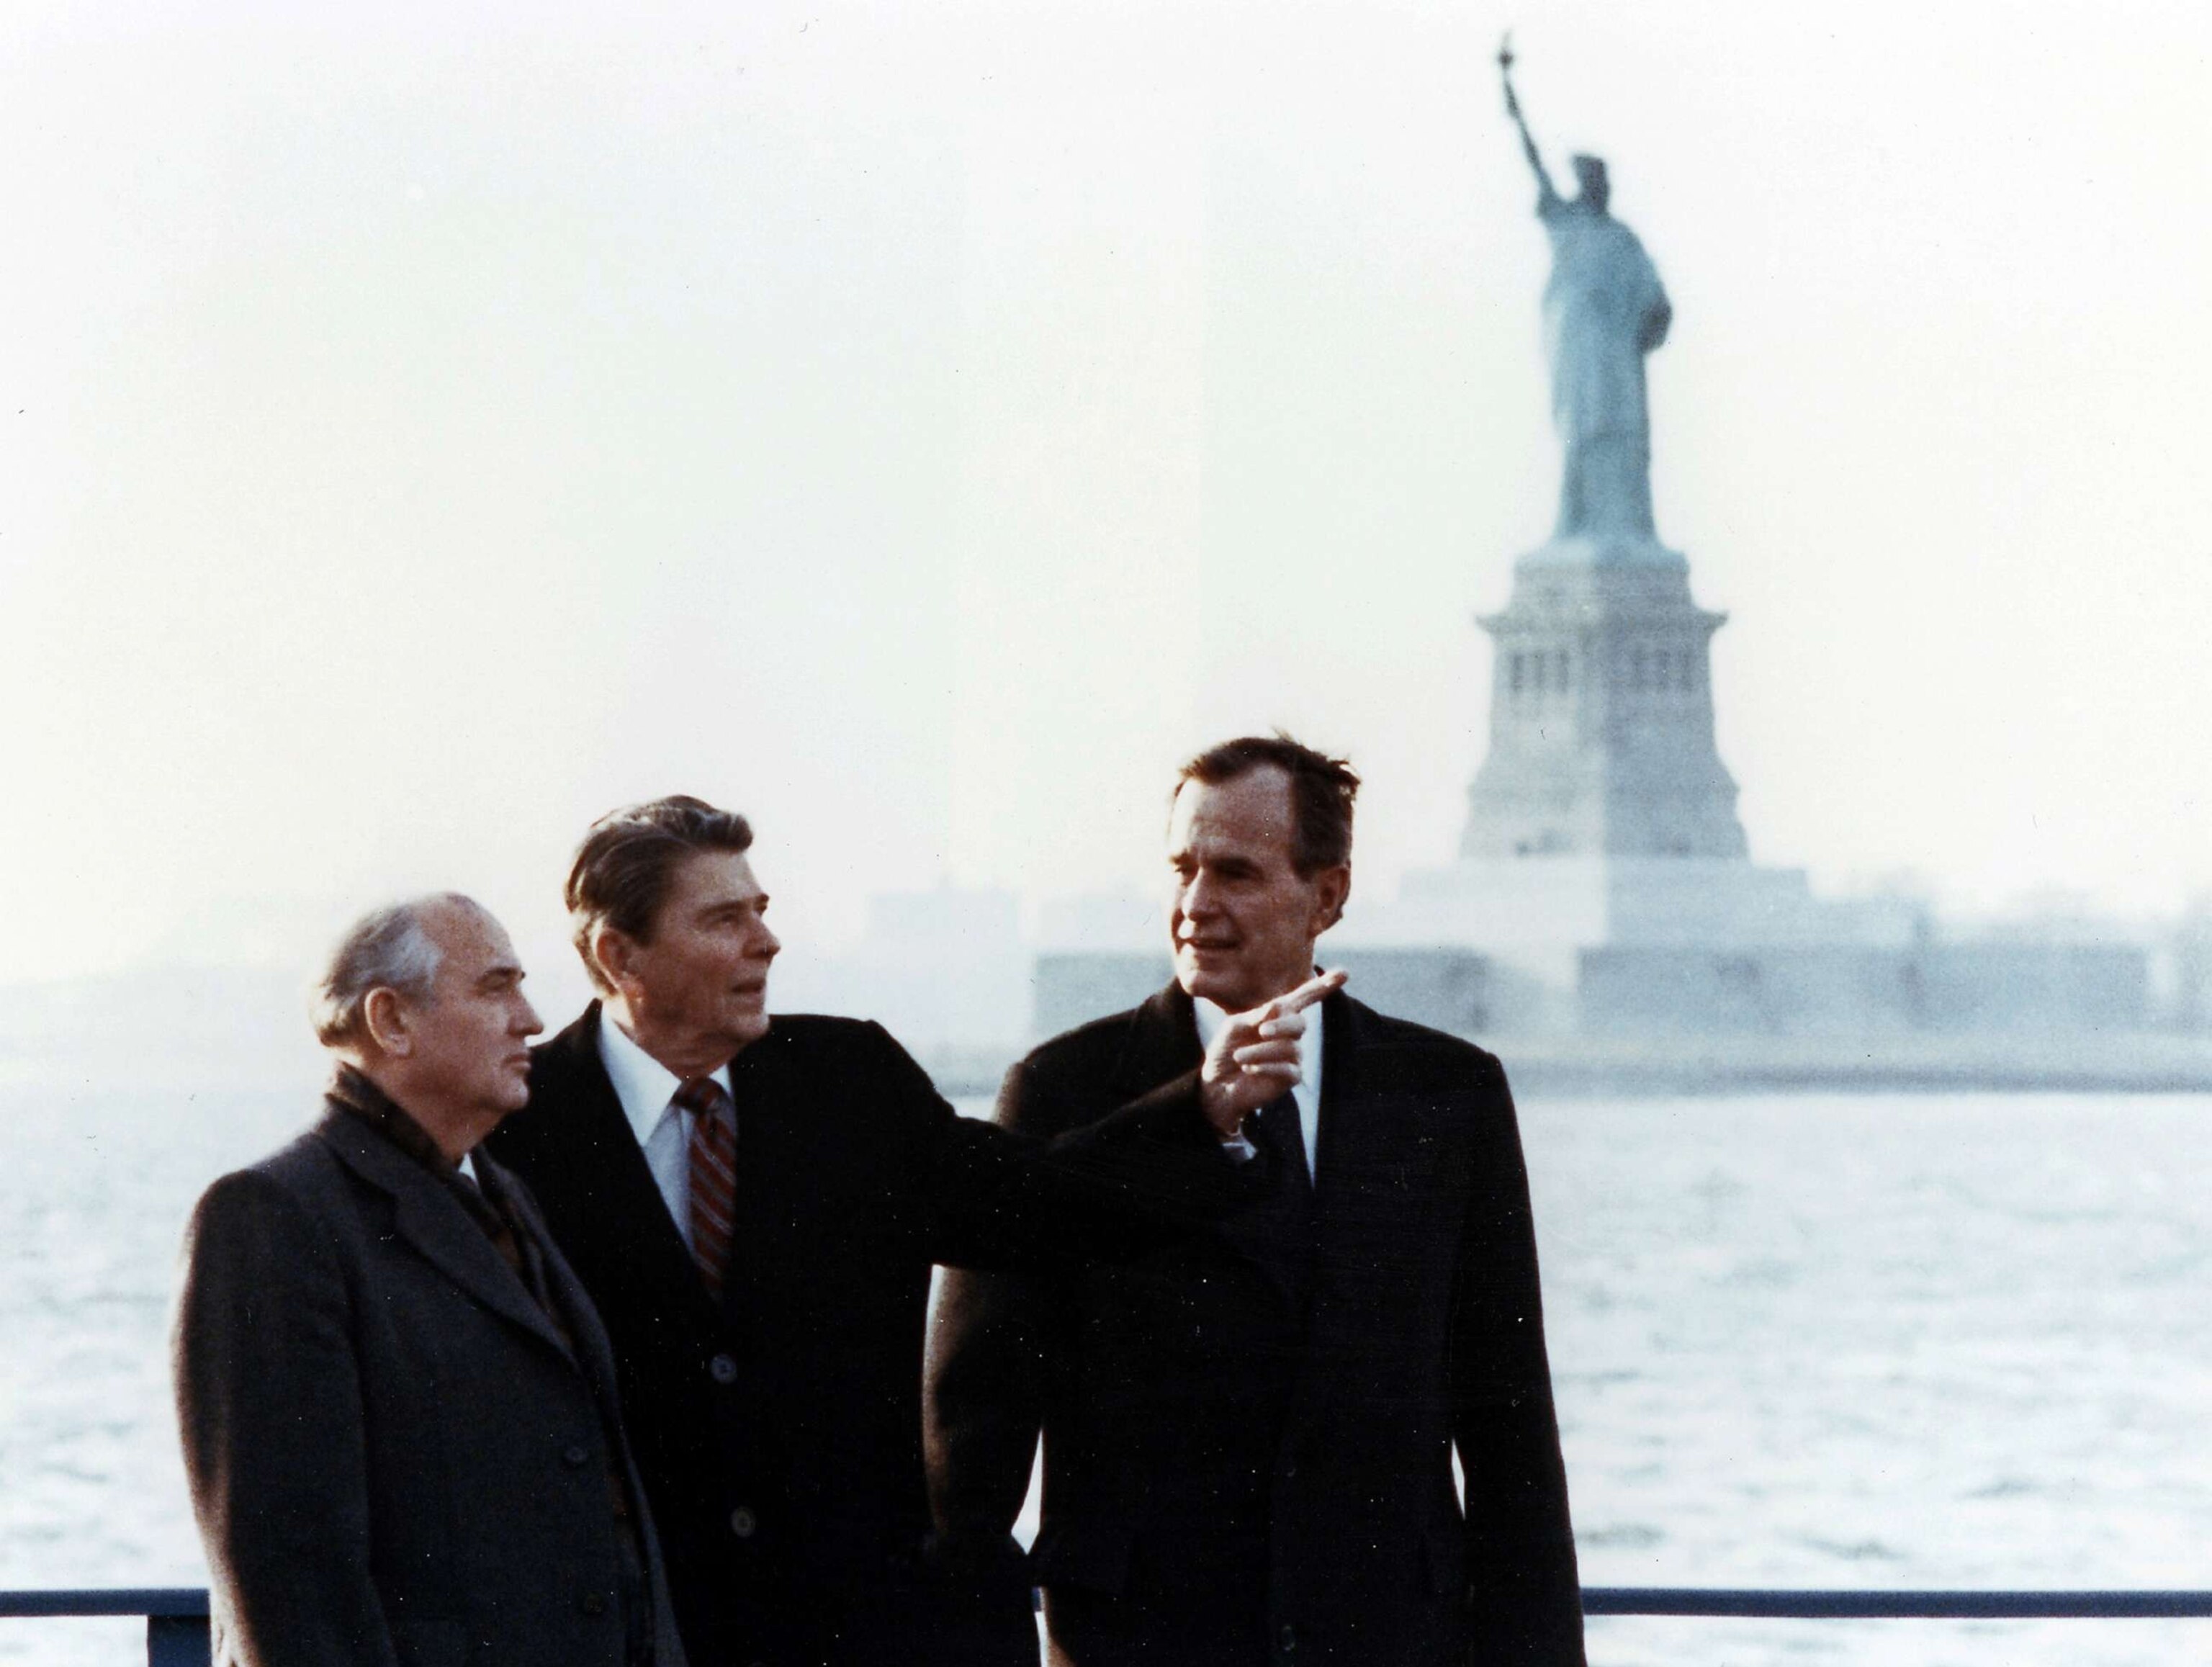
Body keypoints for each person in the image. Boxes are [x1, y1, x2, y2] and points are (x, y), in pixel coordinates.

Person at [485, 796, 1314, 1667]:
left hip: (850, 1634)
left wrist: (1206, 1108)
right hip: (625, 1631)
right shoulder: (515, 1125)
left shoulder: (848, 1080)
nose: (765, 943)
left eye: (760, 913)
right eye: (724, 920)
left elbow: (1037, 1202)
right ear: (621, 955)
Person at [925, 736, 1586, 1666]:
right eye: (1183, 868)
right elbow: (969, 1448)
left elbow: (1511, 1426)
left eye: (1234, 871)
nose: (1196, 905)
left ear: (1328, 894)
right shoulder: (1064, 1091)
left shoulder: (1449, 1094)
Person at [173, 894, 687, 1667]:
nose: (532, 1018)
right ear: (391, 1021)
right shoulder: (275, 1215)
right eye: (496, 987)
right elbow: (288, 1573)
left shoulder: (503, 1198)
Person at [1502, 52, 1672, 542]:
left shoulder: (1622, 239)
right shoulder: (1566, 223)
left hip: (1617, 350)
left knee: (1626, 437)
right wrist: (1510, 96)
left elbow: (1657, 303)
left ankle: (1631, 529)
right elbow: (1532, 160)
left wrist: (1651, 319)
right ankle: (1574, 522)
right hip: (1579, 343)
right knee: (1582, 433)